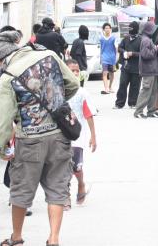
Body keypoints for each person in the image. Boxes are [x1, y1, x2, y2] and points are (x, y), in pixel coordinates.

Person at [0, 31, 80, 246]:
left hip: (29, 140)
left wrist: (1, 149)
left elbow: (3, 121)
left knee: (21, 190)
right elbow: (74, 84)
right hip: (59, 135)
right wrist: (54, 100)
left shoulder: (7, 78)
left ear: (1, 58)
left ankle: (17, 237)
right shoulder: (49, 55)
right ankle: (54, 238)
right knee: (58, 188)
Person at [66, 60, 97, 206]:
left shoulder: (82, 93)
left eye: (77, 70)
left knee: (76, 166)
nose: (75, 73)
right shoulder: (58, 91)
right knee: (61, 166)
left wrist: (93, 136)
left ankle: (80, 183)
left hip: (78, 136)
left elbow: (89, 115)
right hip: (61, 135)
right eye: (72, 70)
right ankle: (64, 195)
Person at [134, 22, 158, 119]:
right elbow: (145, 54)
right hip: (148, 70)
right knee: (146, 91)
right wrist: (156, 48)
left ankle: (152, 111)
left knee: (153, 92)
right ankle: (138, 111)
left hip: (152, 70)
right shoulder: (146, 40)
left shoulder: (148, 39)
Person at [115, 21, 142, 109]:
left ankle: (133, 103)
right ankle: (119, 103)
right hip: (126, 66)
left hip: (136, 67)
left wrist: (132, 53)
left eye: (131, 29)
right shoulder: (126, 38)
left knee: (135, 86)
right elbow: (120, 47)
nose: (130, 31)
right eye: (129, 29)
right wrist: (124, 52)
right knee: (122, 84)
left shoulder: (141, 40)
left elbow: (143, 53)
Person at [99, 23, 118, 95]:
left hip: (112, 58)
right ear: (103, 29)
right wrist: (100, 57)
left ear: (110, 29)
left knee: (111, 74)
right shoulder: (101, 38)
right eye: (105, 28)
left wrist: (116, 57)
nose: (107, 29)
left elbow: (116, 48)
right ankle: (106, 88)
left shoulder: (114, 38)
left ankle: (110, 86)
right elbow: (100, 48)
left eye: (108, 28)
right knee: (104, 73)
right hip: (104, 58)